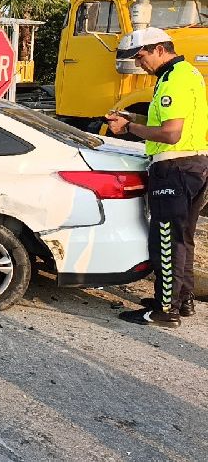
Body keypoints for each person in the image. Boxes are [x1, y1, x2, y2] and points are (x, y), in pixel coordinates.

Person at [106, 27, 208, 328]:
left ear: (160, 49)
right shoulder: (185, 74)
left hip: (175, 168)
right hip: (194, 165)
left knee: (166, 240)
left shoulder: (173, 80)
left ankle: (166, 311)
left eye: (141, 57)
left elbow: (170, 134)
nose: (140, 64)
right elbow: (166, 122)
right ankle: (181, 300)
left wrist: (128, 129)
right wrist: (132, 118)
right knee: (183, 238)